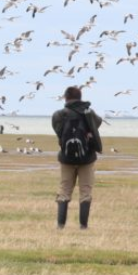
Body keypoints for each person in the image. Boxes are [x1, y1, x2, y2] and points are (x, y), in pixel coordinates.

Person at [51, 86, 103, 230]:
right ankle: (83, 226)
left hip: (66, 158)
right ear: (80, 97)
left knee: (64, 191)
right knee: (85, 192)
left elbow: (58, 131)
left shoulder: (59, 115)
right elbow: (98, 123)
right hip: (86, 158)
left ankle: (60, 226)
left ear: (65, 97)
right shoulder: (88, 112)